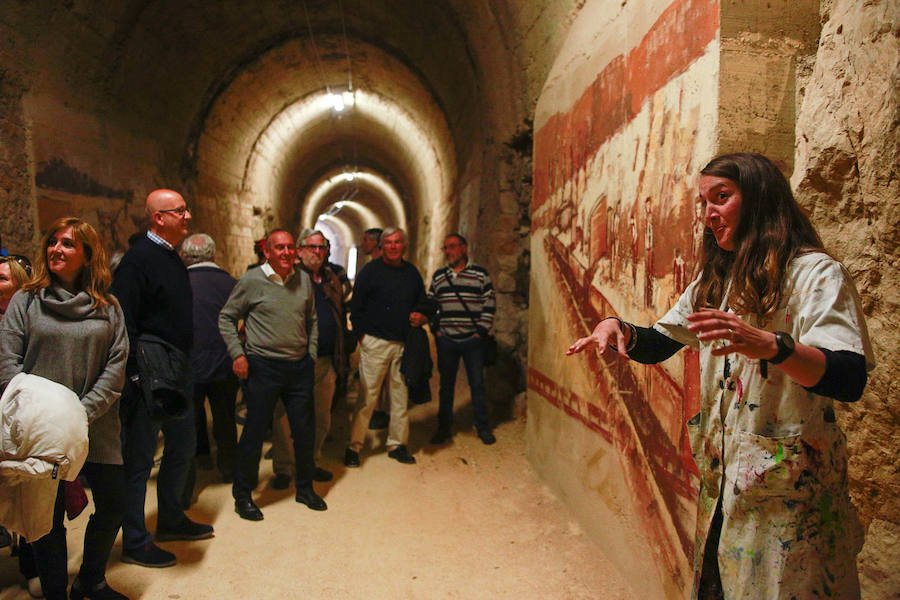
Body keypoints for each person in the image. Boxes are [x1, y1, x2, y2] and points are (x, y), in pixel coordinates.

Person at [567, 153, 873, 599]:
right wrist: (619, 329)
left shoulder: (815, 275)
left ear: (761, 200)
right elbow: (663, 340)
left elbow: (848, 377)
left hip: (792, 501)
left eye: (722, 198)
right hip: (727, 493)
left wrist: (774, 346)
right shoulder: (716, 281)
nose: (708, 213)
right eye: (703, 201)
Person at [0, 217, 130, 600]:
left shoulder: (108, 306)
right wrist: (40, 413)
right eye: (53, 241)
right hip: (42, 429)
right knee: (47, 518)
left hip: (97, 423)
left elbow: (117, 364)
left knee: (114, 504)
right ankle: (56, 593)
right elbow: (8, 360)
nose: (57, 248)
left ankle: (92, 580)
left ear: (88, 255)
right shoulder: (27, 300)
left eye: (69, 244)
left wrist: (80, 414)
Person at [111, 189, 213, 569]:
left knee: (183, 446)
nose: (188, 216)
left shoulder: (171, 256)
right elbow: (124, 321)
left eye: (187, 209)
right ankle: (135, 540)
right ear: (159, 218)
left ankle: (170, 518)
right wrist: (135, 374)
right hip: (150, 377)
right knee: (139, 460)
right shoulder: (138, 261)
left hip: (178, 371)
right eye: (180, 211)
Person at [218, 229, 326, 521]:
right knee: (253, 433)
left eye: (291, 247)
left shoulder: (303, 279)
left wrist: (311, 353)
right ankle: (244, 495)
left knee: (304, 432)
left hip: (299, 367)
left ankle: (304, 488)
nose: (286, 252)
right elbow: (227, 317)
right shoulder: (252, 280)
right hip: (263, 367)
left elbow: (313, 320)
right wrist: (238, 354)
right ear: (267, 251)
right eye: (280, 247)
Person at [344, 227, 430, 467]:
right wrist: (363, 338)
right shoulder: (370, 272)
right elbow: (356, 306)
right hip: (376, 343)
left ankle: (397, 444)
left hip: (403, 344)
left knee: (400, 397)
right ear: (382, 246)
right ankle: (355, 446)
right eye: (389, 242)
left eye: (398, 242)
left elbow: (422, 301)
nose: (393, 246)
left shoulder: (411, 273)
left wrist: (421, 316)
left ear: (404, 245)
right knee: (367, 397)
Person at [270, 229, 347, 487]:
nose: (317, 252)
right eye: (311, 247)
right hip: (293, 359)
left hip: (325, 360)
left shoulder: (330, 279)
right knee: (285, 417)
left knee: (321, 416)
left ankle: (310, 461)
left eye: (321, 247)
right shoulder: (287, 277)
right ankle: (284, 468)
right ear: (299, 251)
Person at [179, 233, 238, 483]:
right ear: (213, 254)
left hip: (188, 362)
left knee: (190, 420)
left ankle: (198, 460)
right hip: (225, 360)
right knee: (225, 416)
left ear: (185, 256)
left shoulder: (178, 283)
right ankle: (229, 467)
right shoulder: (231, 284)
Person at [427, 233, 497, 445]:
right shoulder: (439, 276)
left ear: (464, 248)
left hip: (472, 340)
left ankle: (482, 426)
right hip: (447, 339)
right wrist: (436, 330)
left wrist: (480, 332)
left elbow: (489, 303)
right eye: (445, 248)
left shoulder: (480, 274)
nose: (448, 251)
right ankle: (444, 427)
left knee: (477, 384)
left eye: (452, 247)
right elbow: (431, 304)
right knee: (446, 386)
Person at [358, 227, 390, 430]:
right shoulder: (372, 267)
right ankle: (379, 409)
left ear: (375, 242)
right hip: (373, 330)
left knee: (380, 374)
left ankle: (379, 411)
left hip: (380, 330)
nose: (362, 244)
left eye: (365, 240)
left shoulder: (379, 269)